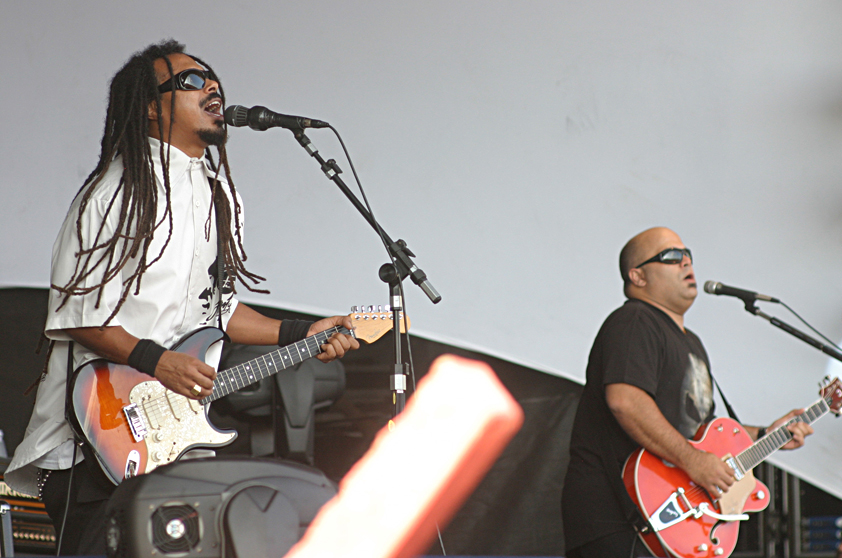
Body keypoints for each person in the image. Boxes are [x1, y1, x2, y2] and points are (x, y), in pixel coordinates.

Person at [5, 40, 359, 555]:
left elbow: (220, 309)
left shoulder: (219, 193)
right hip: (102, 432)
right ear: (152, 106)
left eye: (213, 77)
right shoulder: (115, 194)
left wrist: (302, 333)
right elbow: (78, 315)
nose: (212, 86)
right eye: (192, 81)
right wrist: (159, 362)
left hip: (177, 441)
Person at [561, 226, 813, 558]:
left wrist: (768, 433)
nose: (686, 263)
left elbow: (702, 434)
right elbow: (625, 401)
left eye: (688, 254)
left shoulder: (691, 342)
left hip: (670, 519)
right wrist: (694, 462)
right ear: (637, 276)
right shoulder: (634, 321)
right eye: (671, 256)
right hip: (620, 517)